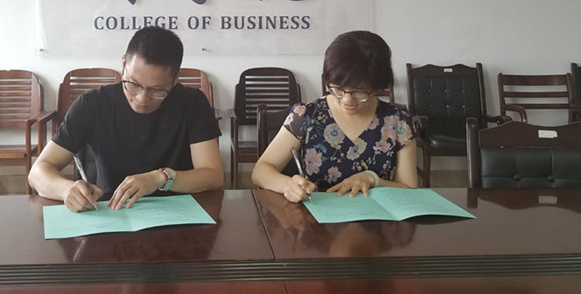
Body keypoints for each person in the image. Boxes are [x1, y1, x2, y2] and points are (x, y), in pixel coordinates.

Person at [29, 26, 223, 212]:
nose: (142, 98)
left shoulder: (192, 103)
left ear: (174, 80)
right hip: (112, 212)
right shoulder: (93, 104)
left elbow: (213, 175)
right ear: (123, 64)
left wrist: (161, 178)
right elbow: (38, 172)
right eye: (133, 84)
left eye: (156, 90)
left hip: (178, 214)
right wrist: (65, 190)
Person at [251, 30, 417, 202]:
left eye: (359, 91)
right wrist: (287, 185)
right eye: (338, 88)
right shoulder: (307, 115)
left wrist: (373, 180)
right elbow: (260, 171)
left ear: (377, 86)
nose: (347, 99)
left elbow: (411, 191)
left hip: (378, 215)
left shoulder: (398, 120)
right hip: (317, 214)